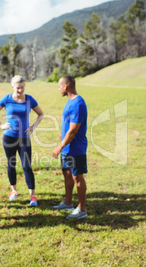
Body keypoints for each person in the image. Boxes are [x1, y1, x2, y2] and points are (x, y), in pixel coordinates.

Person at [0, 75, 44, 206]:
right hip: (9, 137)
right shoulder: (7, 99)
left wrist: (33, 126)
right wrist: (0, 125)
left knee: (27, 165)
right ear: (12, 86)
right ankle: (14, 191)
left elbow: (40, 113)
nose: (20, 90)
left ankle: (33, 196)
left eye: (22, 87)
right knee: (11, 163)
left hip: (24, 138)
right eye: (18, 88)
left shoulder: (29, 99)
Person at [52, 75, 88, 220]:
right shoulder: (70, 101)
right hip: (67, 147)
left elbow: (73, 131)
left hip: (75, 149)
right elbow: (69, 125)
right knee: (66, 174)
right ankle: (68, 202)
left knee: (77, 176)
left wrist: (59, 147)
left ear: (66, 86)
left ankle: (82, 209)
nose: (58, 89)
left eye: (59, 86)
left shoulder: (78, 104)